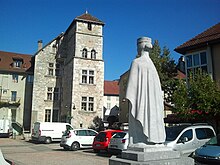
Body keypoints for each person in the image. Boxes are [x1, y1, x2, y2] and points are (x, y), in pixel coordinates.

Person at [126, 37, 166, 146]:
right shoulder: (152, 65)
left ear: (140, 47)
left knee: (137, 115)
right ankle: (154, 138)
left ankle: (139, 139)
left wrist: (129, 99)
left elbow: (132, 88)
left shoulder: (136, 62)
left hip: (143, 102)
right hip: (153, 104)